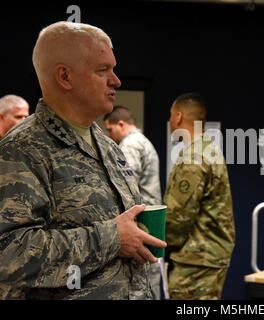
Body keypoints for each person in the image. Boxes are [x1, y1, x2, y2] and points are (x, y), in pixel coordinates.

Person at [0, 21, 166, 300]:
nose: (116, 80)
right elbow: (9, 254)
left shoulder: (107, 147)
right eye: (103, 70)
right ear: (65, 76)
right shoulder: (22, 150)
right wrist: (112, 238)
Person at [164, 92, 235, 300]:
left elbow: (177, 217)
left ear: (178, 117)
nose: (170, 121)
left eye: (170, 116)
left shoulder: (194, 157)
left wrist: (157, 243)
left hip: (196, 261)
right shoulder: (209, 149)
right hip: (207, 256)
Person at [104, 105, 162, 299]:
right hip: (150, 223)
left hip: (141, 225)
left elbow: (125, 187)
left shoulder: (130, 145)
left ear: (121, 124)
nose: (109, 136)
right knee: (150, 283)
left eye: (110, 130)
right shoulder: (143, 141)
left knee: (140, 286)